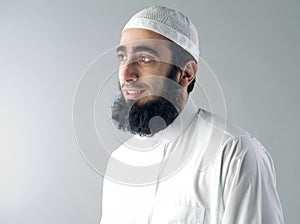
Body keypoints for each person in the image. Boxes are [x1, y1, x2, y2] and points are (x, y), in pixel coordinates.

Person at [100, 6, 284, 223]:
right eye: (122, 57)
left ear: (186, 73)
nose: (126, 73)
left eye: (145, 58)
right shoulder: (121, 160)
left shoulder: (234, 153)